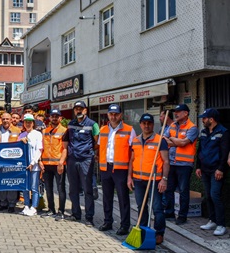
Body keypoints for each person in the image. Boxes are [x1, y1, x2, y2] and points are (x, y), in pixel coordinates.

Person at [128, 113, 170, 245]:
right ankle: (143, 230)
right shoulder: (135, 140)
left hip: (154, 180)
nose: (146, 126)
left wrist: (164, 179)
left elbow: (166, 161)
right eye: (144, 123)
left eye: (149, 123)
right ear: (140, 124)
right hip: (138, 180)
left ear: (153, 124)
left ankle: (159, 233)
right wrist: (129, 177)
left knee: (157, 208)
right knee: (141, 207)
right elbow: (132, 160)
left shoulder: (160, 140)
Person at [97, 104, 134, 234]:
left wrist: (130, 173)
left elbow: (133, 152)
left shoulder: (129, 129)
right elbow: (100, 148)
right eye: (111, 114)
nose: (113, 117)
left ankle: (125, 225)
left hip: (121, 169)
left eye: (116, 114)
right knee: (106, 197)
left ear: (120, 115)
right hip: (106, 167)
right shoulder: (103, 130)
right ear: (107, 115)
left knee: (123, 198)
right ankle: (108, 221)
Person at [162, 103, 198, 224]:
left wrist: (172, 140)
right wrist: (176, 141)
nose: (175, 114)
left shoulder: (192, 128)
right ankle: (169, 213)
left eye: (178, 111)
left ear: (186, 113)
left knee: (183, 191)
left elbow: (184, 143)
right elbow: (164, 138)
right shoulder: (172, 125)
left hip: (185, 164)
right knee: (169, 189)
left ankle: (182, 216)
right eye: (175, 112)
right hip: (172, 162)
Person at [195, 108, 229, 236]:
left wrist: (220, 169)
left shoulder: (223, 132)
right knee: (208, 196)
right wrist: (198, 166)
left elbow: (224, 153)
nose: (202, 120)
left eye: (204, 118)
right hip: (205, 170)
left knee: (215, 195)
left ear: (211, 119)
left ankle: (221, 225)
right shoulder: (203, 132)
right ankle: (213, 220)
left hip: (216, 170)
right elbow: (200, 151)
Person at [64, 100, 98, 224]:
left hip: (86, 161)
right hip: (72, 160)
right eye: (76, 109)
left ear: (85, 110)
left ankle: (89, 217)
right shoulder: (71, 124)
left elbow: (97, 142)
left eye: (80, 109)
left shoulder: (92, 124)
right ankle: (75, 214)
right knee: (73, 189)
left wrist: (88, 152)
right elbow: (67, 141)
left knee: (87, 190)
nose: (78, 111)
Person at [40, 108, 68, 218]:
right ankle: (51, 209)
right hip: (46, 164)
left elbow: (65, 148)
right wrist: (40, 162)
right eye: (53, 116)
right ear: (50, 118)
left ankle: (61, 211)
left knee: (61, 188)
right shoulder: (45, 131)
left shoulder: (64, 131)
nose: (54, 118)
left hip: (58, 165)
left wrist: (61, 162)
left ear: (60, 118)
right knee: (48, 188)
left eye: (57, 116)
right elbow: (41, 148)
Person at [0, 111, 22, 212]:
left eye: (7, 119)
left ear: (11, 120)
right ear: (1, 120)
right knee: (2, 181)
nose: (5, 121)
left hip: (12, 160)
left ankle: (11, 204)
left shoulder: (17, 130)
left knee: (11, 182)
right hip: (0, 160)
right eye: (3, 119)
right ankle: (3, 203)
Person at [20, 113, 43, 216]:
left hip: (34, 166)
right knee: (25, 187)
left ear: (33, 123)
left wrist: (33, 162)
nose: (28, 124)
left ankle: (34, 207)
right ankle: (26, 205)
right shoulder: (21, 135)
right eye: (26, 122)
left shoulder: (38, 134)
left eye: (30, 122)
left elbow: (39, 150)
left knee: (34, 187)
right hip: (23, 166)